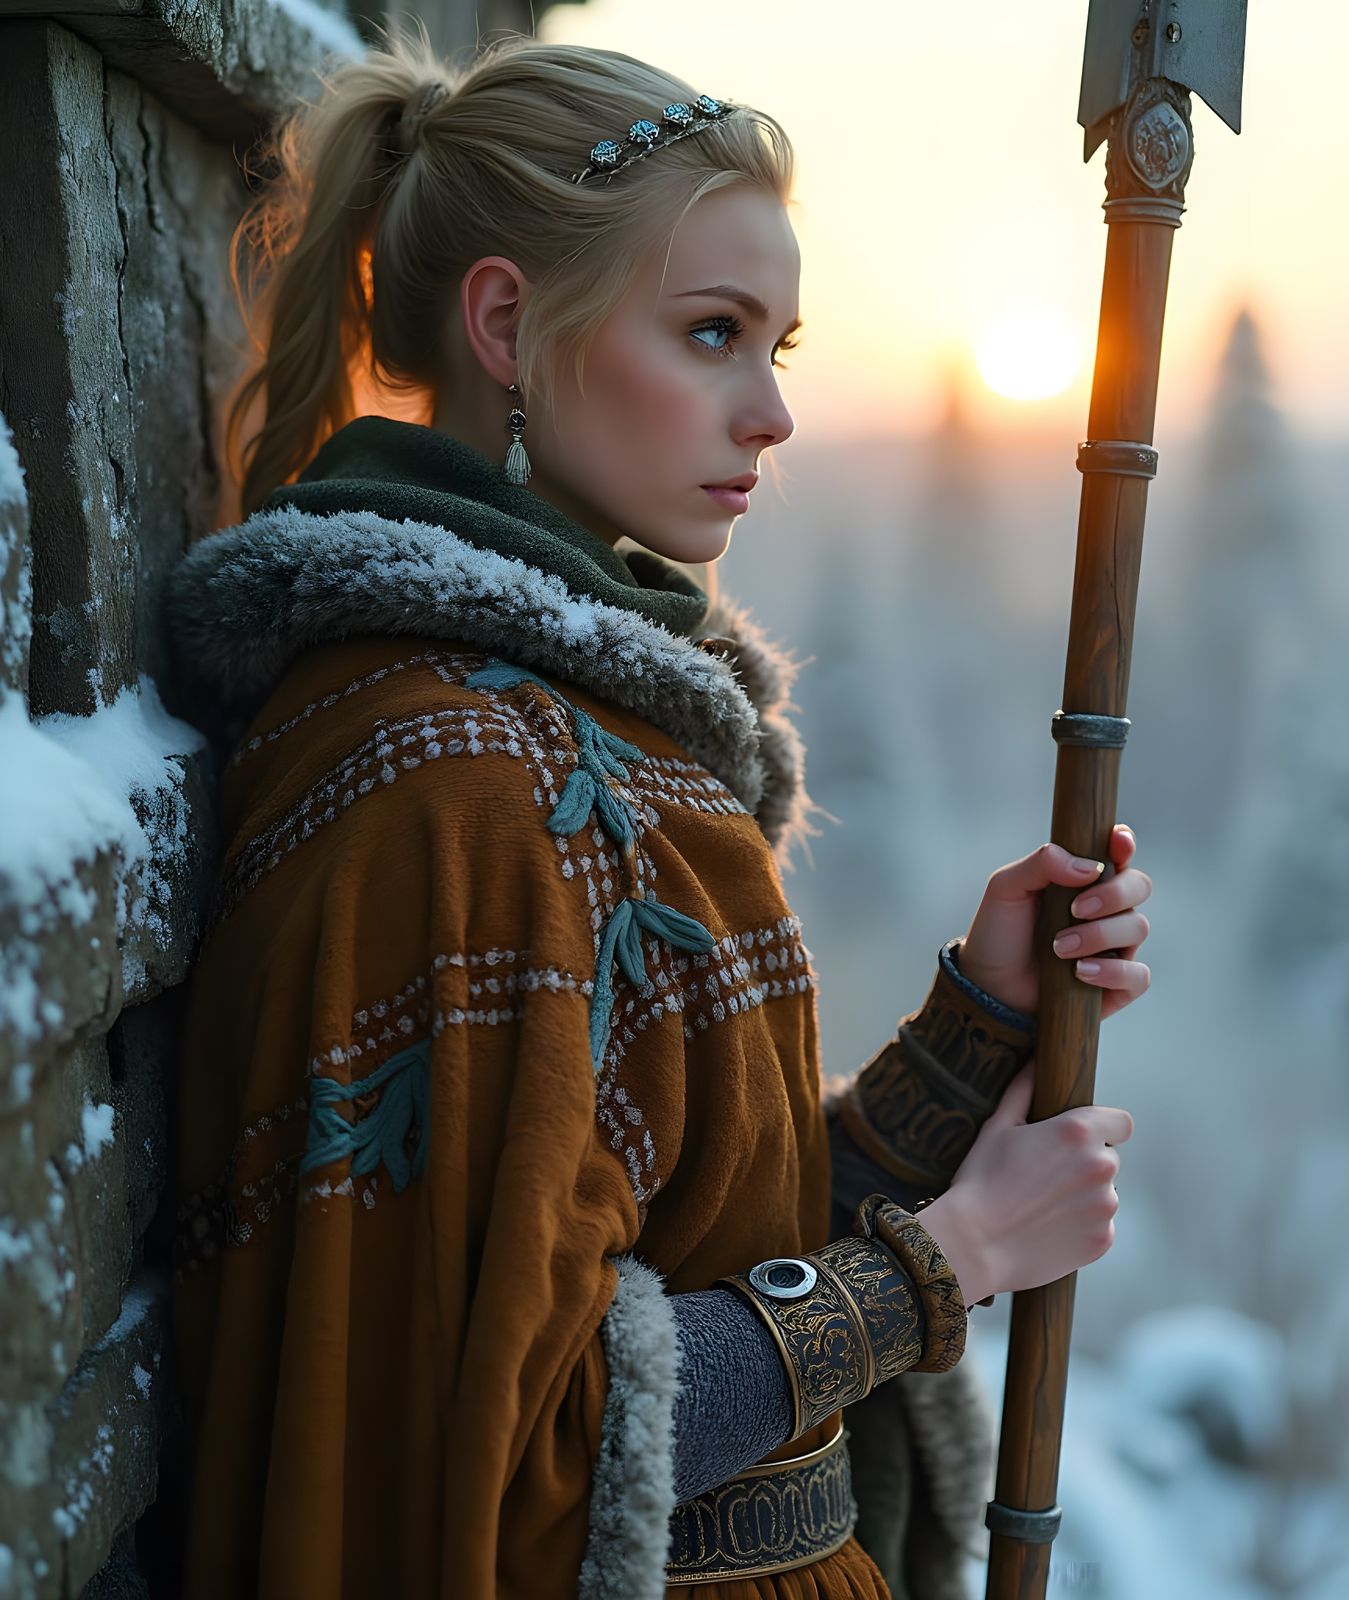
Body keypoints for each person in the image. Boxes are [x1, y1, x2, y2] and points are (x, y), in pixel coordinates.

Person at [158, 22, 1153, 1600]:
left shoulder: (586, 739)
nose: (770, 411)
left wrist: (975, 1027)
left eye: (782, 346)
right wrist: (954, 1262)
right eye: (711, 333)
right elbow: (512, 1440)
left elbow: (697, 1226)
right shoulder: (471, 792)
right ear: (506, 323)